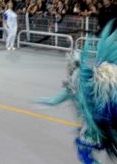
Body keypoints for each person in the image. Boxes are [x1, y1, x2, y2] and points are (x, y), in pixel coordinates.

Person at [35, 20, 117, 164]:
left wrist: (40, 101)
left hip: (93, 128)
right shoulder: (92, 79)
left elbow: (55, 100)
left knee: (84, 153)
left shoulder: (72, 84)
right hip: (105, 122)